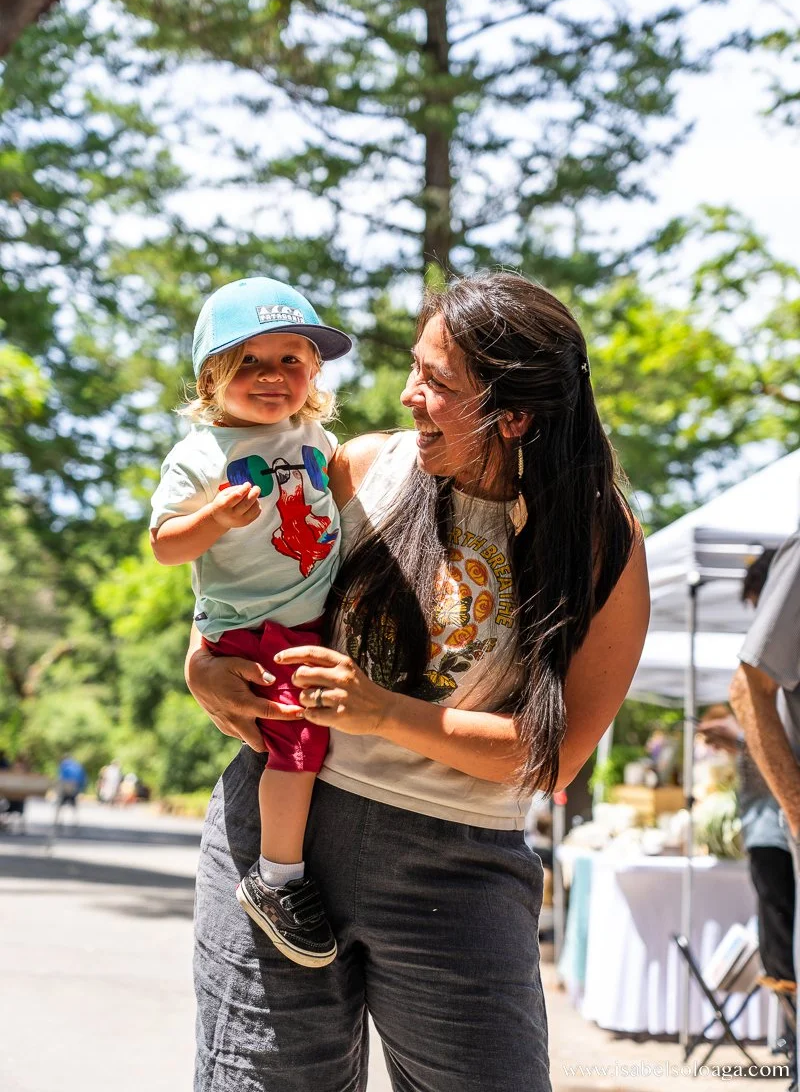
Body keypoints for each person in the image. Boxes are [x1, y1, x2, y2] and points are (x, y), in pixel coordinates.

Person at [184, 271, 650, 1091]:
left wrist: (380, 712)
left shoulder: (601, 543)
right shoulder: (361, 467)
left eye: (436, 382)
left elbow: (552, 758)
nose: (407, 396)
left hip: (459, 874)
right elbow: (248, 585)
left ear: (515, 416)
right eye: (414, 368)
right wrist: (202, 662)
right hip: (281, 852)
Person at [151, 276, 352, 968]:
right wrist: (212, 519)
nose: (272, 376)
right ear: (211, 379)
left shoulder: (316, 438)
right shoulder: (199, 455)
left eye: (291, 359)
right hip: (255, 627)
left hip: (312, 614)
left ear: (313, 373)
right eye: (249, 362)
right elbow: (164, 545)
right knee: (298, 742)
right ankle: (276, 877)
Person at [728, 537, 800, 1074]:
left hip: (772, 821)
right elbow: (748, 694)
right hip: (770, 823)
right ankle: (791, 1030)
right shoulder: (767, 664)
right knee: (776, 928)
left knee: (778, 925)